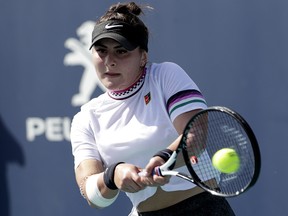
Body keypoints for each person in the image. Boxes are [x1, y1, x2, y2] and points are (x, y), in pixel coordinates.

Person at [70, 2, 236, 216]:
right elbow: (92, 193)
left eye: (121, 51)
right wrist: (114, 175)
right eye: (101, 51)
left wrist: (162, 158)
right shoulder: (86, 118)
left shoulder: (165, 76)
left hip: (201, 208)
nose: (109, 61)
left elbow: (196, 134)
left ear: (143, 57)